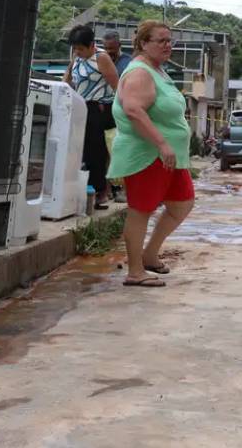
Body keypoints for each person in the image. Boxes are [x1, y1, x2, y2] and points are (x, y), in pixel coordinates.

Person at [106, 20, 195, 287]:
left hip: (169, 156)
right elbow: (133, 110)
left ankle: (149, 255)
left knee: (182, 203)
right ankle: (135, 271)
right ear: (143, 43)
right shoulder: (139, 73)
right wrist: (161, 143)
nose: (168, 45)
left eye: (170, 41)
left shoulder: (158, 71)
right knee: (140, 209)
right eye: (161, 41)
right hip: (148, 153)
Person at [65, 25, 119, 209]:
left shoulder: (101, 58)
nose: (77, 52)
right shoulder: (76, 58)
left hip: (98, 109)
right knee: (78, 151)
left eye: (81, 48)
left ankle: (100, 191)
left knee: (95, 152)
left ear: (91, 45)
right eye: (75, 48)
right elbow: (67, 78)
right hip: (79, 107)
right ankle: (80, 191)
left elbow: (116, 85)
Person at [102, 31, 132, 203]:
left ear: (119, 46)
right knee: (102, 154)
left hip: (122, 115)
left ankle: (124, 190)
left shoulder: (128, 63)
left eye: (112, 49)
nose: (108, 52)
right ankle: (105, 190)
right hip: (103, 112)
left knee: (119, 152)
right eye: (105, 48)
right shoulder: (99, 60)